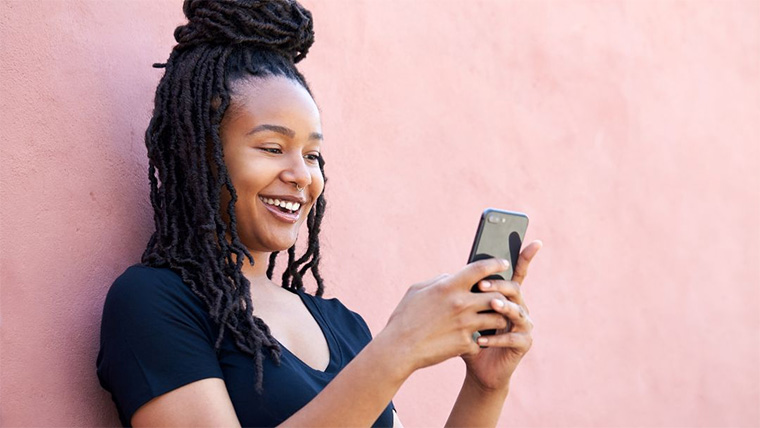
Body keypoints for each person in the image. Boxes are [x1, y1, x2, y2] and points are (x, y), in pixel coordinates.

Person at [96, 1, 542, 427]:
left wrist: (485, 388)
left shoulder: (344, 327)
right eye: (273, 148)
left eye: (312, 155)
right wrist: (398, 349)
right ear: (200, 155)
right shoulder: (153, 302)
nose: (301, 176)